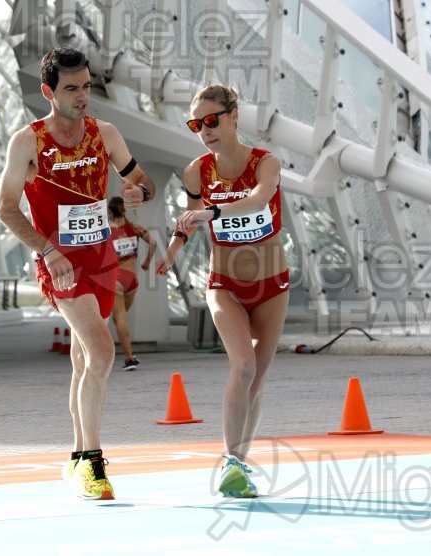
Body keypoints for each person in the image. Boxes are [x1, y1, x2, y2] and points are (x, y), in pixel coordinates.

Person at [0, 47, 156, 499]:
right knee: (103, 353)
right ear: (48, 92)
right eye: (72, 89)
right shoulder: (28, 142)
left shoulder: (105, 134)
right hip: (61, 263)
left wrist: (138, 191)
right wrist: (48, 250)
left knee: (85, 359)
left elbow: (144, 181)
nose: (83, 96)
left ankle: (73, 457)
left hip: (101, 258)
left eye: (87, 86)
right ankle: (93, 463)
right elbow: (6, 209)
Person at [156, 84, 289, 497]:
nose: (204, 130)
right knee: (243, 367)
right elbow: (191, 219)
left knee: (259, 380)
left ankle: (242, 462)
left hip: (271, 285)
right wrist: (173, 250)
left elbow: (257, 200)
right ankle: (231, 462)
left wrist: (212, 211)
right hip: (224, 284)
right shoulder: (197, 171)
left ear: (234, 116)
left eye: (212, 120)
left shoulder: (266, 163)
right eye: (197, 124)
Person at [108, 196, 157, 370]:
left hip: (115, 279)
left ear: (109, 211)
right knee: (121, 316)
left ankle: (129, 358)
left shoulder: (106, 232)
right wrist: (146, 263)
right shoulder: (135, 228)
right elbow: (153, 243)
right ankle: (125, 353)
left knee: (119, 318)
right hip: (132, 280)